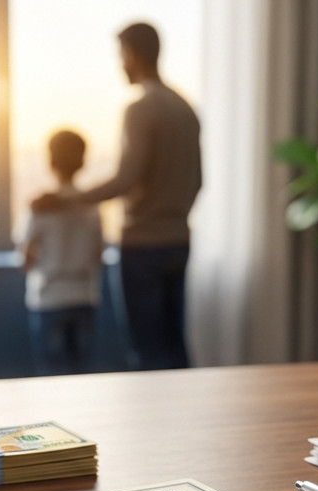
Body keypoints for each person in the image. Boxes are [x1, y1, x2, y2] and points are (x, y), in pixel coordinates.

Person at [33, 22, 202, 370]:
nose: (120, 63)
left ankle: (155, 408)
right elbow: (198, 181)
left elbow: (125, 180)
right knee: (174, 344)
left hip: (143, 245)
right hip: (179, 240)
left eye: (121, 54)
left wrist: (65, 199)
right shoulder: (185, 108)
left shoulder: (140, 108)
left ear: (133, 55)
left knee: (147, 349)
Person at [22, 129, 105, 376]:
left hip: (49, 298)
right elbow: (99, 253)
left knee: (52, 376)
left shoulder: (41, 207)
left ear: (51, 161)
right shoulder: (92, 206)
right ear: (83, 161)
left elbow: (26, 256)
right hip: (84, 296)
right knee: (82, 372)